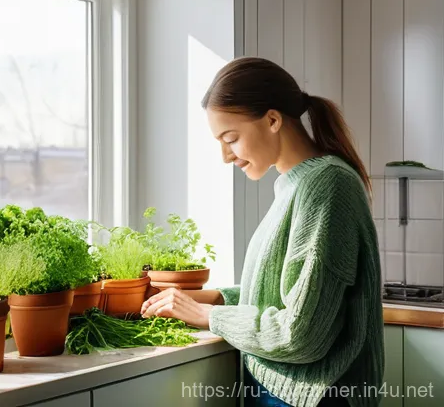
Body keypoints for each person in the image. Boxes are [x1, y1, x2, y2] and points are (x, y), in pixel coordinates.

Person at [141, 57, 384, 407]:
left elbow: (302, 335)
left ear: (272, 120)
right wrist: (215, 297)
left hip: (316, 396)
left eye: (231, 138)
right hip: (292, 392)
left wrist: (210, 317)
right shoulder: (295, 184)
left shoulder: (327, 185)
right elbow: (290, 292)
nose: (225, 156)